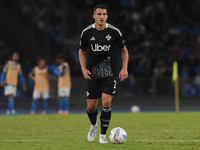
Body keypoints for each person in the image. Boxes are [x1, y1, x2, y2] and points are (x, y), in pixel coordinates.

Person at [79, 4, 129, 143]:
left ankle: (102, 135)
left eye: (104, 14)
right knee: (91, 107)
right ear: (94, 16)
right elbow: (81, 51)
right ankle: (94, 125)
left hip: (109, 73)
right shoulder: (87, 32)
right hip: (93, 74)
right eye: (99, 14)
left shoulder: (114, 32)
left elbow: (124, 50)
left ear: (107, 16)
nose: (102, 17)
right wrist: (83, 69)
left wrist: (124, 68)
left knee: (106, 102)